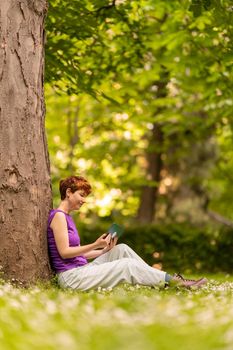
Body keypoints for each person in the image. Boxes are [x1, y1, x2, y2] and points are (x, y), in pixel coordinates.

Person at [47, 175, 207, 291]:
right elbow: (65, 253)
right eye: (81, 195)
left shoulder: (67, 217)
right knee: (127, 265)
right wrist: (95, 244)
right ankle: (173, 282)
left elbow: (78, 255)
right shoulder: (59, 216)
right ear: (68, 192)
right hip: (72, 278)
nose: (84, 200)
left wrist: (103, 250)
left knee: (121, 249)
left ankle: (158, 279)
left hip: (81, 270)